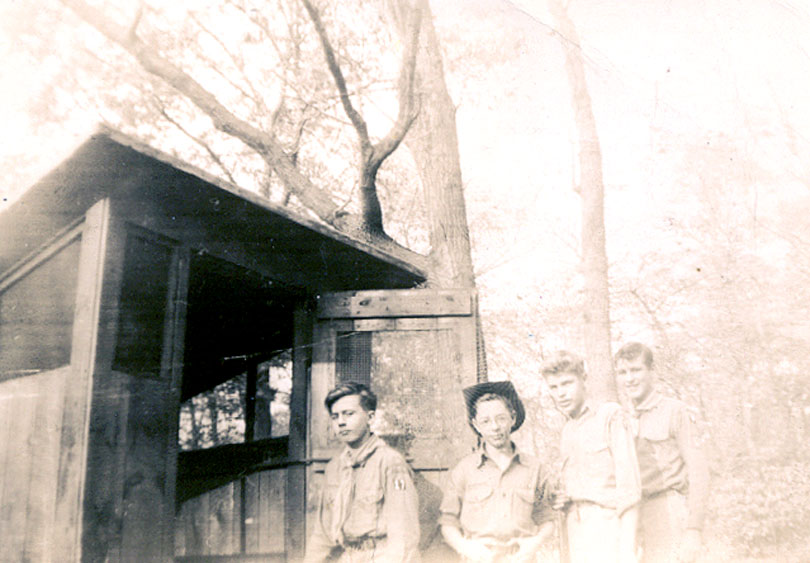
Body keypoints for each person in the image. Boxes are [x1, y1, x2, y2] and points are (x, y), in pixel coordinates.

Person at [542, 351, 641, 563]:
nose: (561, 393)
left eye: (567, 383)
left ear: (584, 379)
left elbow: (629, 489)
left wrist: (627, 550)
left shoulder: (610, 415)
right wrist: (563, 498)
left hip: (608, 528)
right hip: (575, 532)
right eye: (554, 387)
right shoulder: (567, 430)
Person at [439, 381, 555, 563]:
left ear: (512, 418)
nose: (495, 427)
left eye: (501, 418)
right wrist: (466, 548)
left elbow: (547, 519)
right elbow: (448, 523)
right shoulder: (464, 470)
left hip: (522, 558)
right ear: (476, 425)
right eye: (486, 421)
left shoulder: (535, 468)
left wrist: (534, 544)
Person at [614, 343, 710, 563]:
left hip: (669, 512)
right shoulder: (619, 419)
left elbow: (699, 473)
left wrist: (693, 529)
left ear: (652, 371)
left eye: (636, 370)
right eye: (623, 372)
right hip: (632, 519)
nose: (629, 379)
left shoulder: (675, 411)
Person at [305, 381, 420, 562]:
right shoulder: (334, 468)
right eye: (335, 417)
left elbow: (404, 534)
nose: (341, 422)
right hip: (348, 556)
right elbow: (322, 534)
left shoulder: (390, 462)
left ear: (370, 417)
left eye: (348, 414)